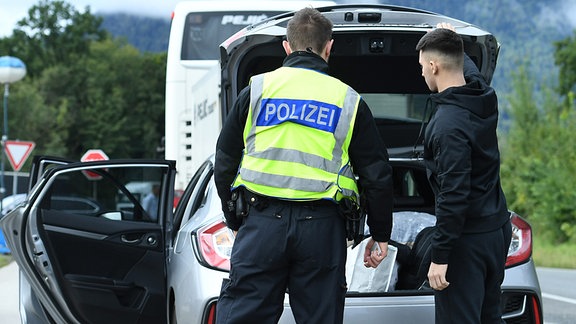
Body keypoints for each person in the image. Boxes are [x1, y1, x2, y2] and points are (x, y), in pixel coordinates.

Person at [214, 7, 394, 324]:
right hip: (322, 229)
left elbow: (225, 160)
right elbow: (377, 175)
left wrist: (234, 217)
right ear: (329, 47)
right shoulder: (348, 100)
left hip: (261, 223)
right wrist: (380, 234)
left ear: (287, 46)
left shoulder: (256, 90)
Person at [416, 23, 512, 323]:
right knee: (488, 317)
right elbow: (465, 72)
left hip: (466, 242)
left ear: (434, 66)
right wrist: (454, 41)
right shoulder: (484, 97)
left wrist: (440, 256)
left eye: (422, 66)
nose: (421, 73)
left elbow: (454, 195)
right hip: (496, 232)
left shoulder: (448, 126)